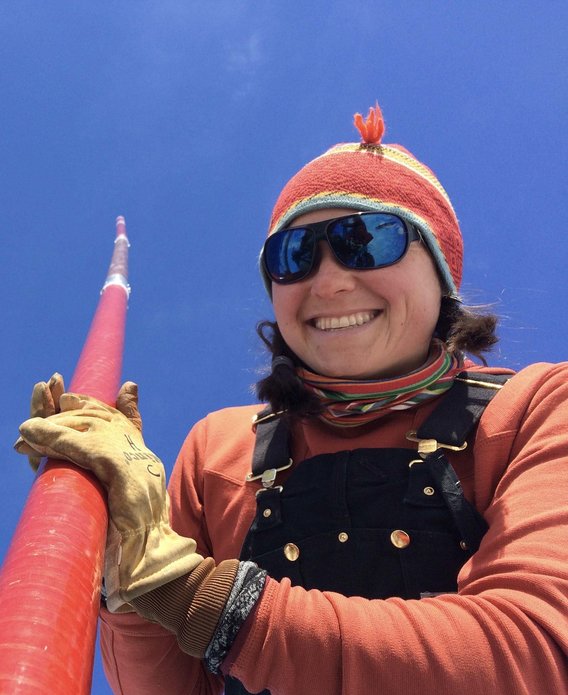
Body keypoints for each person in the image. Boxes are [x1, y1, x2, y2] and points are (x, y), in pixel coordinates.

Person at [16, 103, 568, 695]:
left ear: (441, 271)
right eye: (294, 255)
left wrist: (193, 594)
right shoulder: (220, 449)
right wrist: (126, 583)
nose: (328, 281)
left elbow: (535, 652)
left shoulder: (533, 408)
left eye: (366, 239)